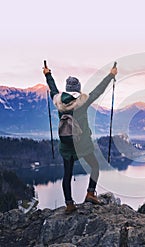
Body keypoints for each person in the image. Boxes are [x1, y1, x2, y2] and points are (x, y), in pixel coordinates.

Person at [43, 64, 117, 214]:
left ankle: (69, 204)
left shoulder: (58, 101)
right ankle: (90, 193)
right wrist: (110, 75)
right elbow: (99, 90)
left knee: (67, 175)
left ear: (67, 88)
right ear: (78, 89)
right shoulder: (82, 102)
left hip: (66, 145)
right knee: (95, 167)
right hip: (83, 145)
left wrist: (47, 74)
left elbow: (53, 89)